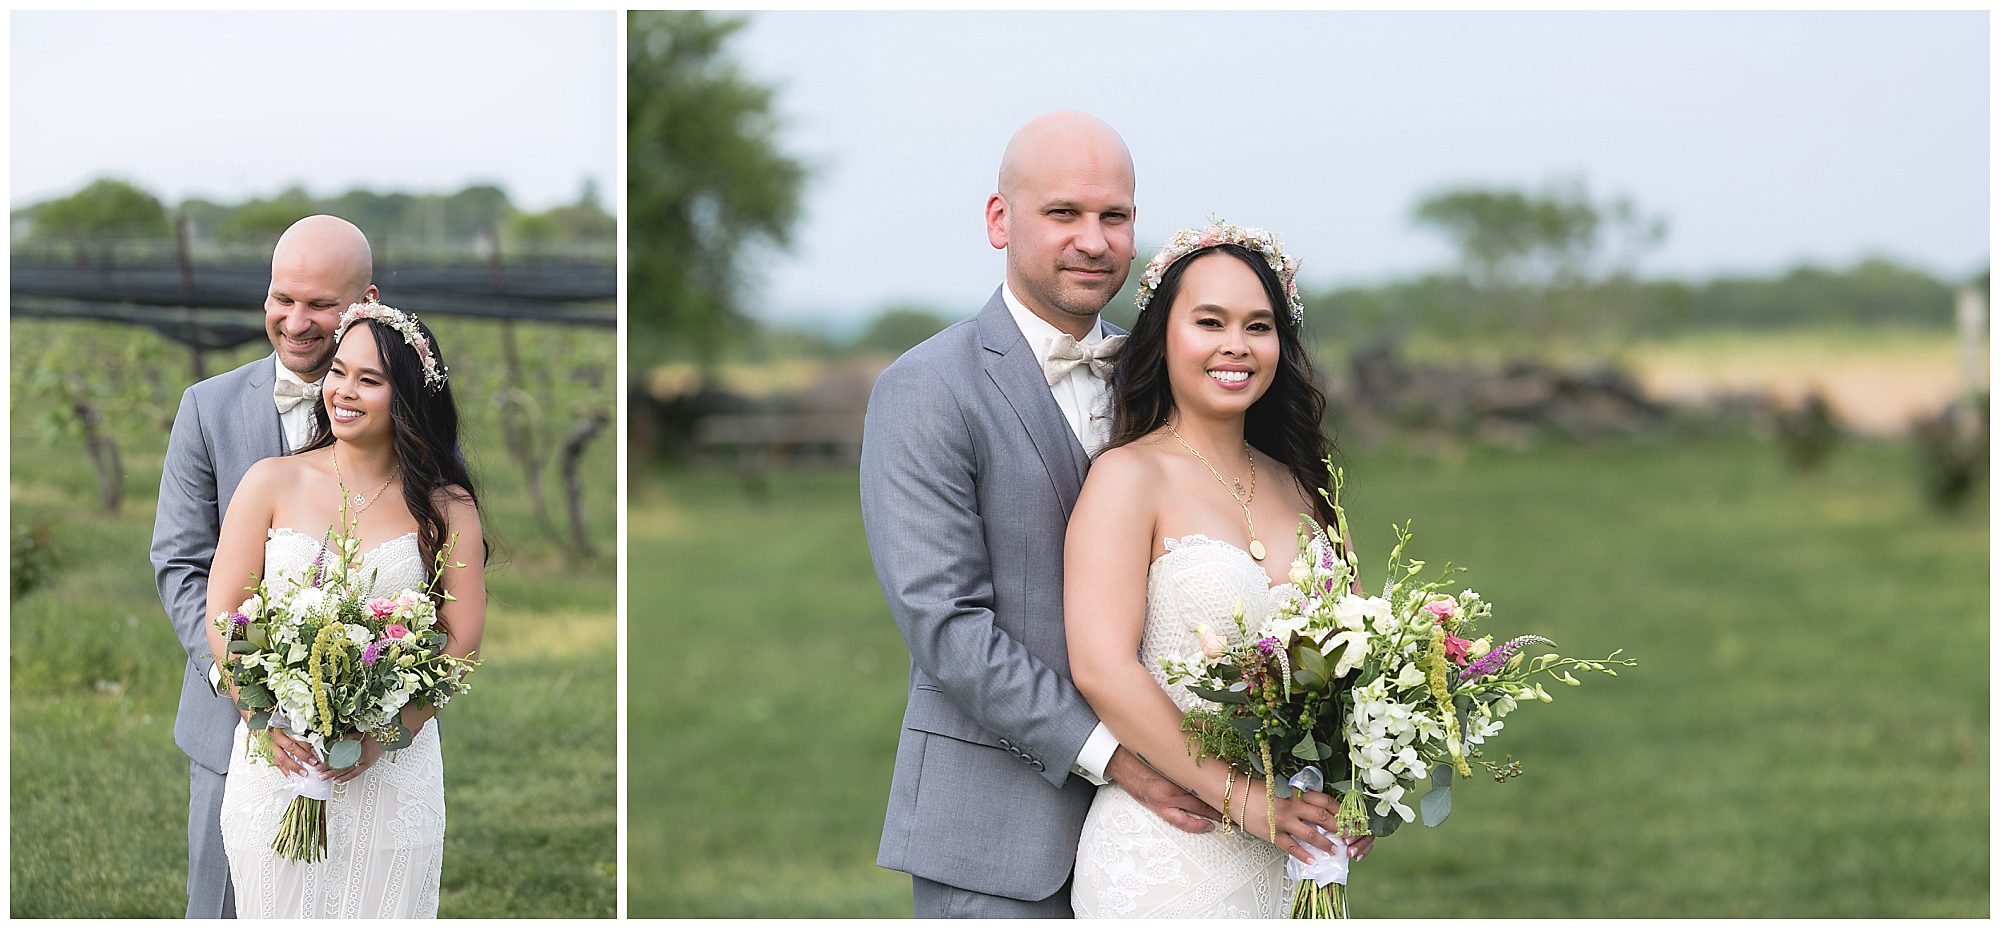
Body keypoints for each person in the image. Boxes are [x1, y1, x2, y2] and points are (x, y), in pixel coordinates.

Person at [858, 111, 1225, 918]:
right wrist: (1119, 756)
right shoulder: (927, 388)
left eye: (1114, 215)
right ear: (1001, 220)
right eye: (1063, 213)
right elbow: (946, 623)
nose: (1092, 240)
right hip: (998, 836)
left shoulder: (1165, 377)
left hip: (1179, 841)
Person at [1065, 222, 1371, 917]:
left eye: (1258, 325)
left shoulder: (1305, 484)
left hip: (1296, 849)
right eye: (1210, 321)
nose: (1236, 344)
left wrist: (1363, 784)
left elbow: (1359, 651)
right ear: (1164, 336)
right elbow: (1102, 667)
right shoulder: (1127, 476)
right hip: (1170, 848)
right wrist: (1247, 800)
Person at [206, 300, 485, 917]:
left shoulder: (446, 505)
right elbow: (226, 612)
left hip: (392, 769)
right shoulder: (270, 482)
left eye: (370, 379)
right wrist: (261, 720)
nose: (343, 391)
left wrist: (384, 738)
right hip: (280, 760)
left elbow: (460, 640)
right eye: (338, 371)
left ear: (407, 397)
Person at [152, 214, 378, 918]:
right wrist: (244, 679)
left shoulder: (404, 415)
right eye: (284, 297)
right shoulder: (206, 408)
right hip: (231, 731)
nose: (297, 320)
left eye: (321, 303)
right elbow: (181, 561)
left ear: (365, 302)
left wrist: (379, 697)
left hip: (365, 737)